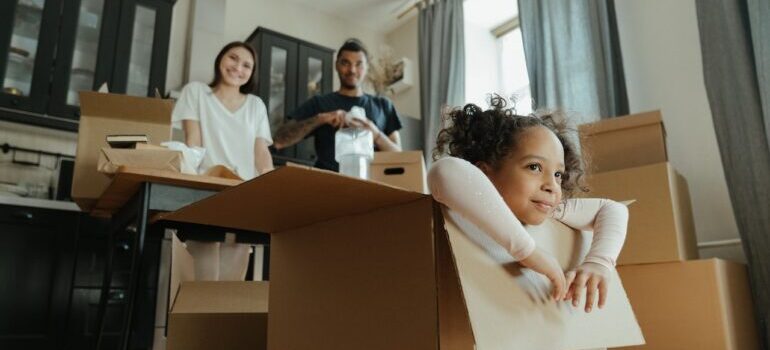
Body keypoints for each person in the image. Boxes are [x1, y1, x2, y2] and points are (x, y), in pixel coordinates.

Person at [428, 97, 628, 313]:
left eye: (558, 174)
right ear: (484, 172)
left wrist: (599, 263)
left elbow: (614, 209)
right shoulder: (461, 195)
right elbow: (444, 171)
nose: (552, 185)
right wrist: (528, 252)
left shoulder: (551, 208)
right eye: (534, 167)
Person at [171, 41, 273, 281]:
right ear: (220, 59)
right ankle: (193, 317)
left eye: (247, 65)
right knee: (201, 269)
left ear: (251, 73)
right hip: (205, 191)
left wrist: (271, 182)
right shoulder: (195, 92)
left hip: (244, 192)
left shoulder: (256, 105)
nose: (238, 67)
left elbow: (261, 152)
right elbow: (192, 143)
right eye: (233, 58)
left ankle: (220, 318)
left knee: (231, 277)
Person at [273, 38, 402, 171]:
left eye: (359, 64)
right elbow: (279, 140)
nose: (352, 70)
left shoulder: (383, 106)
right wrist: (321, 119)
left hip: (371, 186)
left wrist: (375, 133)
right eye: (345, 63)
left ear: (367, 67)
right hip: (327, 185)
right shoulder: (319, 103)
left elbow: (400, 159)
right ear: (336, 65)